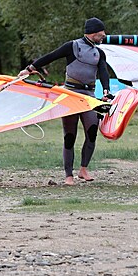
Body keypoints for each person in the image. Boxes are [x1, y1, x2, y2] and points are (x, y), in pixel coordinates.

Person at [19, 17, 111, 185]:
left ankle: (83, 169)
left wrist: (106, 90)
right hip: (70, 93)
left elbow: (104, 73)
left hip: (88, 95)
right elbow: (51, 56)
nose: (104, 35)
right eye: (101, 33)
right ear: (93, 32)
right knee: (70, 135)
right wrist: (29, 69)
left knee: (92, 132)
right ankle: (68, 175)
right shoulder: (72, 46)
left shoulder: (99, 52)